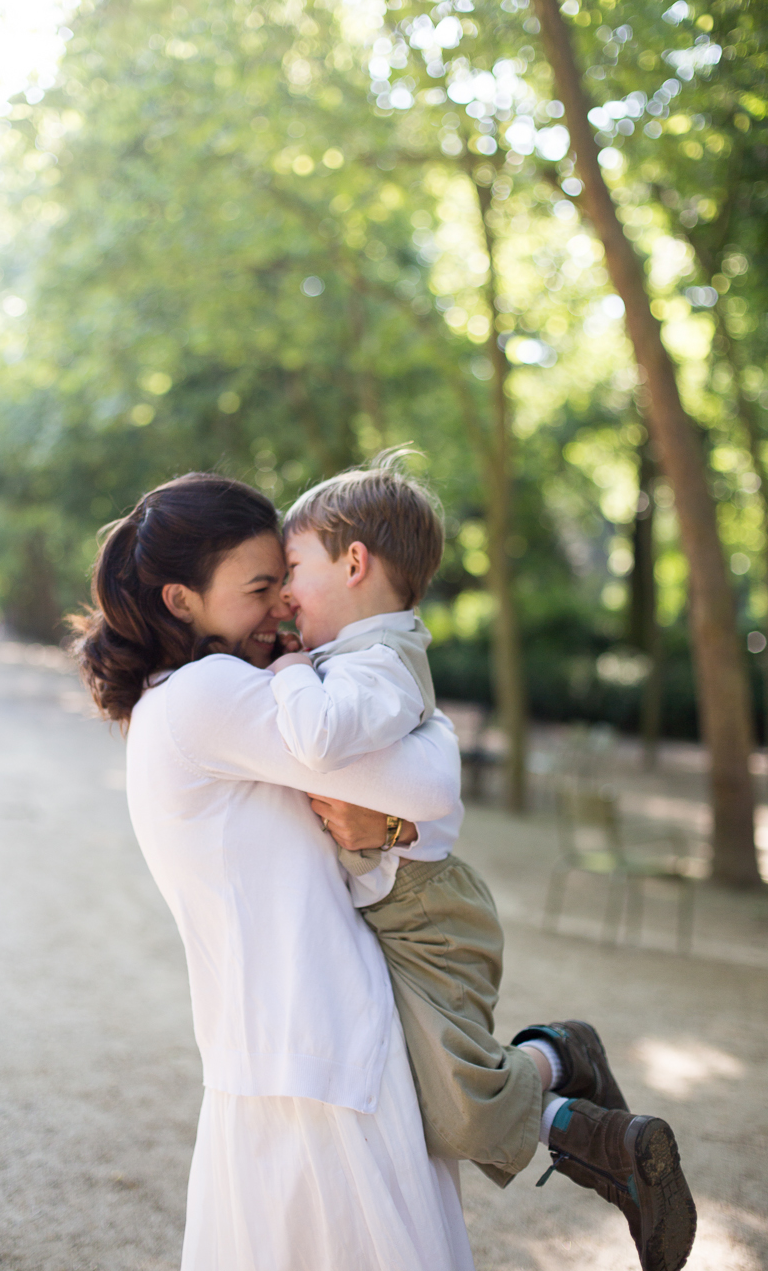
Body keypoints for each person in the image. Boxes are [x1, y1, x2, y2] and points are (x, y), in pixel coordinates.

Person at [266, 453, 697, 1271]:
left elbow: (318, 739)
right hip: (402, 903)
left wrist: (285, 671)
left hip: (430, 911)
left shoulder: (380, 665)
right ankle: (596, 1126)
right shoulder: (355, 659)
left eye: (293, 569)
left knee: (457, 1113)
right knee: (423, 1091)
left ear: (354, 563)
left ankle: (563, 1058)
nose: (285, 593)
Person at [70, 471, 476, 1271]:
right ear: (182, 601)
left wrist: (395, 819)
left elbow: (409, 810)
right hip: (320, 1046)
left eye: (286, 579)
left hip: (283, 1049)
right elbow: (430, 788)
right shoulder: (212, 695)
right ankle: (555, 1080)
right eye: (263, 586)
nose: (284, 604)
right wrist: (434, 734)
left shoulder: (187, 699)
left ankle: (554, 1084)